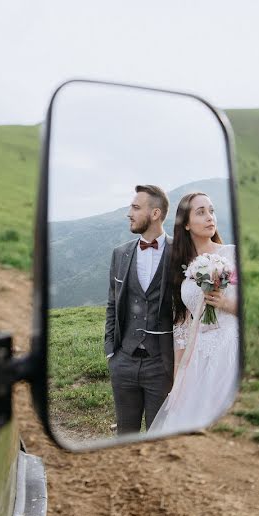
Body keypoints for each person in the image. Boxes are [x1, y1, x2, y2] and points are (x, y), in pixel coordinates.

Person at [148, 192, 240, 435]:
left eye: (212, 210)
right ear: (186, 223)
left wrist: (224, 303)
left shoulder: (230, 254)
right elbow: (181, 328)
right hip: (198, 357)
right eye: (201, 212)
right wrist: (179, 379)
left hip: (229, 350)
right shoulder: (180, 268)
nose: (210, 217)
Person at [104, 185, 175, 434]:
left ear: (155, 213)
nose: (129, 213)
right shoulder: (120, 254)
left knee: (159, 436)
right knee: (125, 434)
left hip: (162, 364)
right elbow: (112, 304)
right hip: (123, 361)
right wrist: (110, 353)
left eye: (135, 207)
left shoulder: (180, 253)